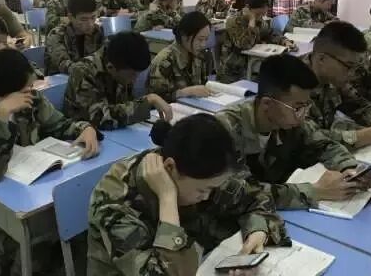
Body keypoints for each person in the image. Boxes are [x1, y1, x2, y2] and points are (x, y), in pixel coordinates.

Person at [0, 48, 99, 275]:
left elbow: (60, 125)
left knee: (79, 219)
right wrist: (2, 118)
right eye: (25, 89)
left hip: (34, 188)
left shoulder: (31, 97)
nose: (32, 92)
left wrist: (85, 128)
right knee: (29, 248)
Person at [88, 114, 289, 276]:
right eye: (202, 191)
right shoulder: (115, 204)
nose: (207, 196)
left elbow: (256, 197)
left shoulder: (200, 170)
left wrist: (257, 231)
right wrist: (167, 198)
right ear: (169, 168)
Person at [216, 54, 371, 207]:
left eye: (307, 105)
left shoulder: (291, 120)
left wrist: (350, 169)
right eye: (298, 107)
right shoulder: (224, 130)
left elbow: (324, 145)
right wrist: (315, 191)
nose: (304, 114)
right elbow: (239, 193)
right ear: (267, 104)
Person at [303, 21, 371, 148]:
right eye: (348, 66)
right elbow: (307, 139)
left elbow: (357, 104)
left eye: (356, 67)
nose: (352, 74)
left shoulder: (333, 78)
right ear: (322, 59)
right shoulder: (291, 84)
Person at [63, 31, 172, 129]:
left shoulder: (124, 63)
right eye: (132, 75)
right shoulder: (83, 71)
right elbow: (99, 118)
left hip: (115, 132)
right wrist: (146, 102)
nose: (134, 80)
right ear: (111, 68)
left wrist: (148, 104)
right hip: (83, 135)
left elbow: (125, 105)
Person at [218, 0, 297, 83]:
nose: (261, 17)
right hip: (233, 69)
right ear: (248, 8)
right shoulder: (233, 21)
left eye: (263, 14)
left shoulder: (259, 20)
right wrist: (252, 21)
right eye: (258, 14)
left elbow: (270, 34)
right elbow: (244, 45)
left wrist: (284, 41)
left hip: (252, 64)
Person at [147, 11, 211, 102]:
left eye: (206, 39)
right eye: (200, 39)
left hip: (196, 104)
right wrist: (183, 92)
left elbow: (203, 85)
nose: (203, 45)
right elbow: (155, 100)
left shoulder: (199, 55)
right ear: (184, 36)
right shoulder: (164, 61)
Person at [44, 0, 104, 75]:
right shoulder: (57, 35)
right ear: (71, 17)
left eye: (93, 17)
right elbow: (65, 65)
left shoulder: (98, 31)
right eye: (83, 19)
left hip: (88, 78)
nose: (90, 24)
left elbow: (106, 57)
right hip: (62, 80)